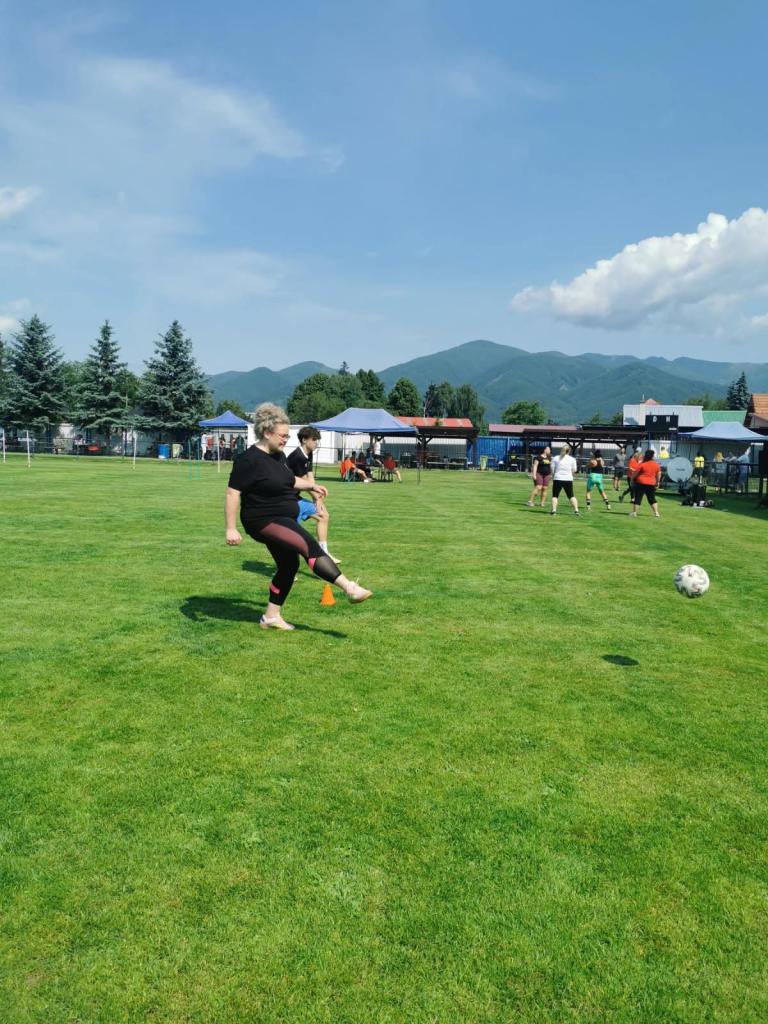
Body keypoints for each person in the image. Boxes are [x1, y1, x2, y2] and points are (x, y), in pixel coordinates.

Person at [225, 403, 372, 630]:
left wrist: (312, 486)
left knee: (289, 565)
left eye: (287, 436)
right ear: (267, 432)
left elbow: (289, 480)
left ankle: (271, 617)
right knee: (308, 545)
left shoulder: (279, 456)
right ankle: (349, 588)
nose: (286, 439)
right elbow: (232, 493)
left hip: (283, 516)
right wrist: (231, 528)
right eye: (283, 436)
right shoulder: (248, 460)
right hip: (264, 519)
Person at [287, 426, 340, 563]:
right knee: (290, 536)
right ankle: (286, 567)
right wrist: (317, 498)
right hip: (286, 500)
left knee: (323, 515)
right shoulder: (297, 457)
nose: (317, 442)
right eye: (314, 439)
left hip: (295, 498)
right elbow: (305, 482)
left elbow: (310, 479)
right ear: (304, 440)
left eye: (317, 439)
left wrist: (318, 499)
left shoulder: (308, 454)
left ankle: (324, 554)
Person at [629, 449, 662, 518]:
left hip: (641, 483)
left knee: (638, 498)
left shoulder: (642, 464)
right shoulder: (656, 464)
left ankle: (634, 513)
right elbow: (659, 474)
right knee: (652, 499)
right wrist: (658, 482)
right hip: (651, 483)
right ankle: (656, 513)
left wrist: (632, 480)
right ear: (652, 456)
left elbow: (635, 473)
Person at [550, 444, 580, 516]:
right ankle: (576, 510)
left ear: (561, 450)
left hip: (558, 478)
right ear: (569, 451)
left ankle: (554, 510)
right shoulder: (572, 459)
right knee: (571, 495)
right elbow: (575, 470)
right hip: (568, 479)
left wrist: (553, 476)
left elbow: (552, 469)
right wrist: (570, 474)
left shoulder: (555, 458)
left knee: (555, 495)